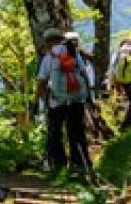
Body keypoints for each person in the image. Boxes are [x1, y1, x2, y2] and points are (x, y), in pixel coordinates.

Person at [35, 29, 93, 177]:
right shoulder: (74, 52)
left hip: (58, 101)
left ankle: (59, 165)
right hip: (77, 99)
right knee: (77, 132)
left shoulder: (49, 56)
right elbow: (84, 74)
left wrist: (36, 101)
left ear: (48, 42)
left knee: (55, 133)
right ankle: (80, 164)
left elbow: (41, 80)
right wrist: (88, 97)